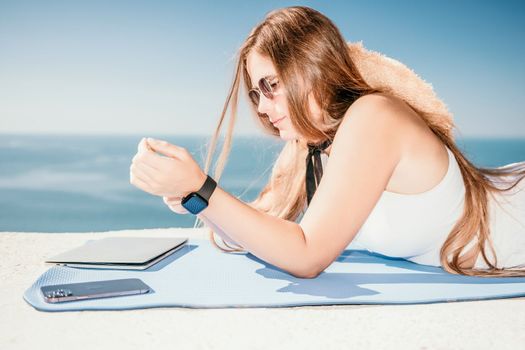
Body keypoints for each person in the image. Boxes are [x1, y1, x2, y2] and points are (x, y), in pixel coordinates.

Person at [130, 6, 525, 278]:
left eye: (272, 86)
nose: (263, 108)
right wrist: (192, 196)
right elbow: (257, 231)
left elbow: (306, 256)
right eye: (255, 94)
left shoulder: (374, 117)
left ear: (310, 70)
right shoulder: (309, 147)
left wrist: (202, 187)